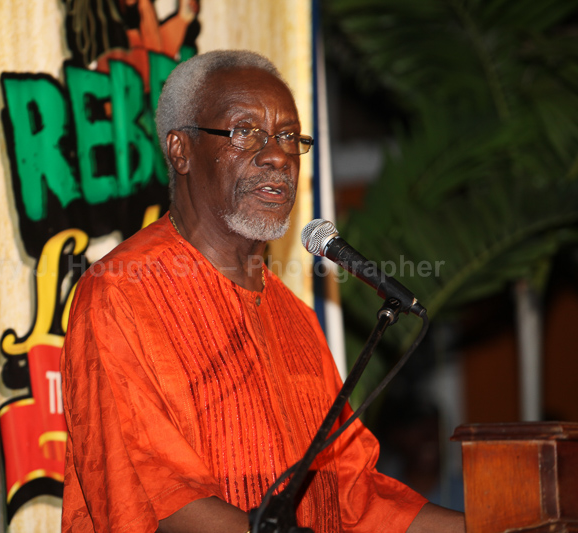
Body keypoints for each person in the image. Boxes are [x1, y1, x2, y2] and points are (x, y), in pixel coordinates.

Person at [60, 50, 465, 533]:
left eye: (289, 136)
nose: (277, 155)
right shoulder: (121, 293)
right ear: (181, 150)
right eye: (245, 130)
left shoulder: (297, 319)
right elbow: (157, 495)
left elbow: (357, 496)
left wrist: (494, 525)